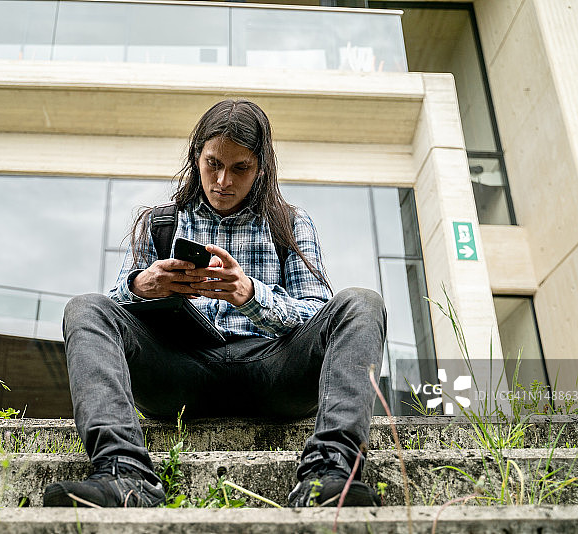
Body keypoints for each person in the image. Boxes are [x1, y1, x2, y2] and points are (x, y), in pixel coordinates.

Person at [43, 99, 386, 508]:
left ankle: (330, 474)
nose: (223, 180)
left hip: (274, 371)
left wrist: (251, 295)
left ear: (260, 170)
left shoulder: (290, 223)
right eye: (212, 164)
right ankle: (124, 474)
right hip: (180, 372)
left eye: (240, 168)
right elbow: (112, 306)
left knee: (362, 303)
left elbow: (317, 311)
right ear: (196, 158)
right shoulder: (161, 222)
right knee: (85, 307)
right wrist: (144, 284)